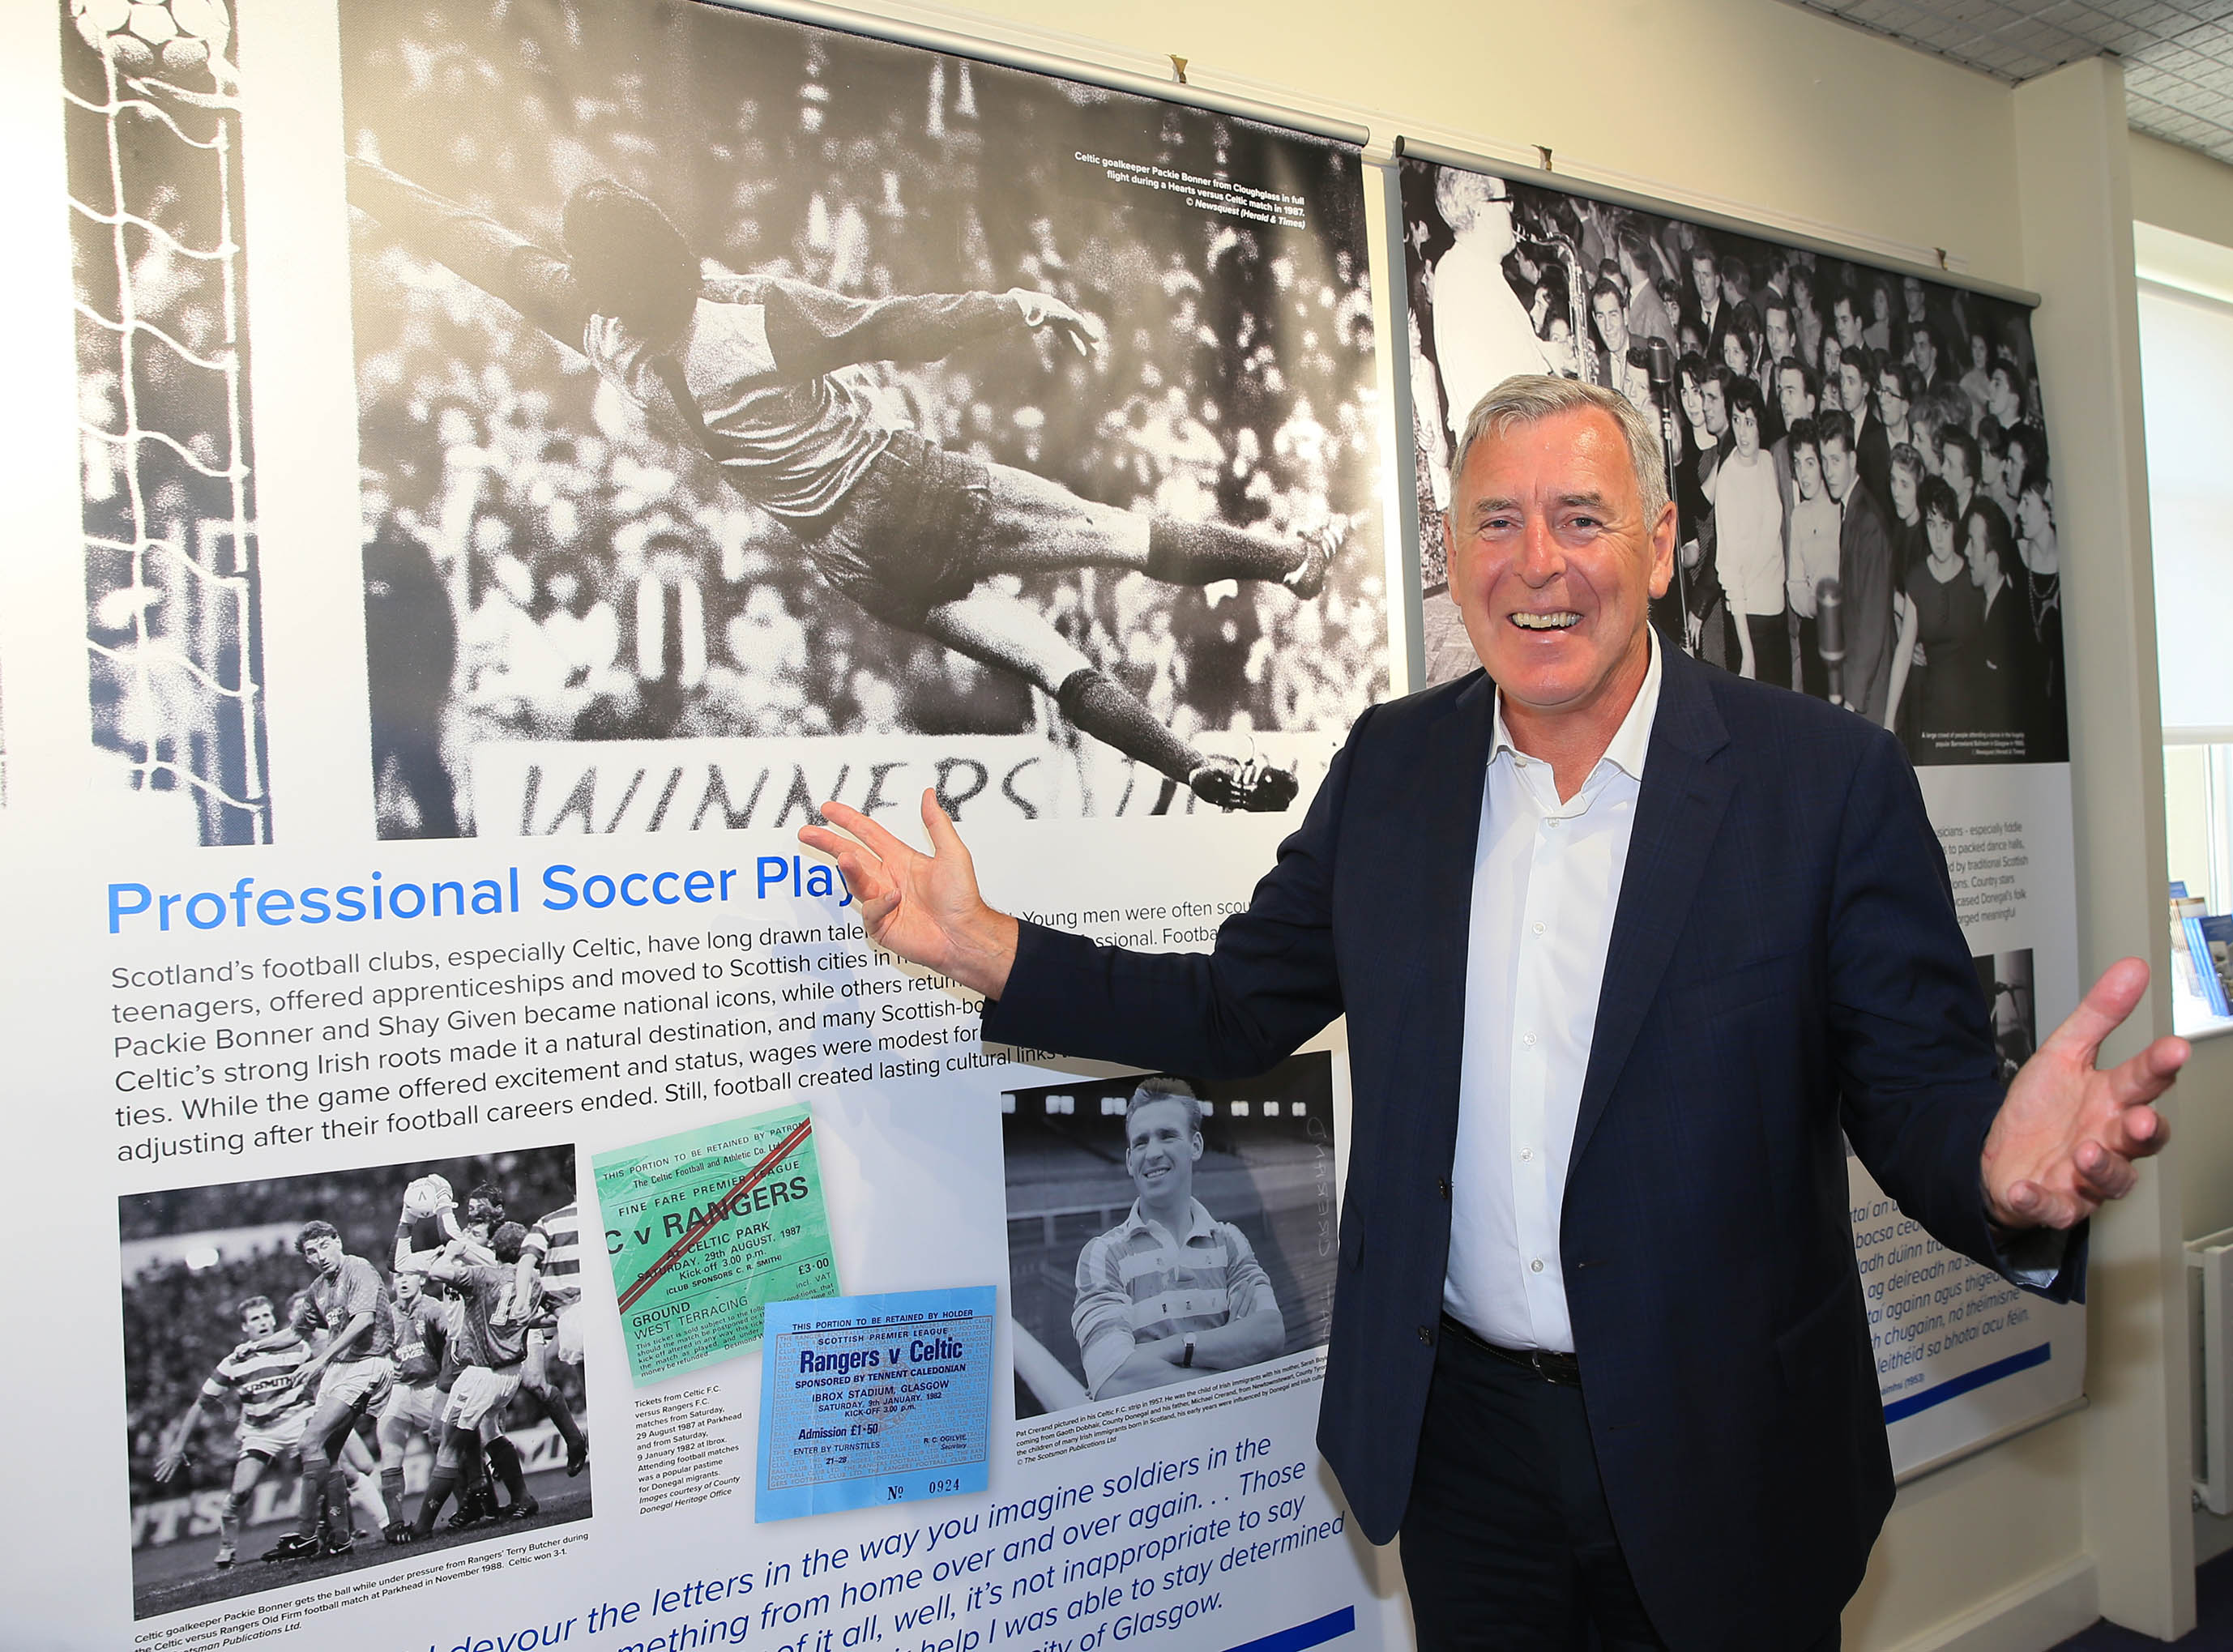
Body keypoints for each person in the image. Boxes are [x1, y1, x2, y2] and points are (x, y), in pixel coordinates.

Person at [801, 373, 2183, 1651]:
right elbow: (1230, 1007)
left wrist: (2000, 1171)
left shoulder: (1820, 782)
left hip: (1727, 1451)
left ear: (1656, 543)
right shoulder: (1393, 767)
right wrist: (988, 949)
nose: (1538, 561)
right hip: (1464, 1450)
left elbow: (1913, 1091)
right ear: (1451, 553)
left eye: (1580, 518)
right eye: (1497, 521)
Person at [344, 159, 1334, 815]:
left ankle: (1189, 764)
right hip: (902, 488)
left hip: (850, 556)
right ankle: (1288, 563)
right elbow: (895, 322)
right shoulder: (753, 323)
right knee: (1116, 534)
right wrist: (1011, 305)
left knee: (1047, 662)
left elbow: (462, 238)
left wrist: (354, 176)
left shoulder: (596, 330)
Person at [1069, 1078, 1287, 1399]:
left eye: (1168, 1136)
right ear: (1130, 1161)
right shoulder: (1102, 1255)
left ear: (1196, 1146)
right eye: (1141, 1142)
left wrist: (1175, 1348)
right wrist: (1229, 1360)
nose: (1153, 1153)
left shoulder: (1230, 1242)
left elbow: (1270, 1335)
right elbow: (1113, 1382)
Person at [261, 1222, 399, 1561]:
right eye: (311, 1252)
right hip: (341, 1367)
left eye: (324, 1246)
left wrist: (320, 1359)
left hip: (367, 1362)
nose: (319, 1255)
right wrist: (255, 1347)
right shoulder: (318, 1288)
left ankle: (306, 1534)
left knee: (309, 1442)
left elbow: (364, 1319)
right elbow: (295, 1332)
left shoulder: (359, 1268)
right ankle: (340, 1537)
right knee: (329, 1453)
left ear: (337, 1241)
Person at [1701, 378, 1788, 685]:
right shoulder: (1728, 477)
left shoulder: (1768, 462)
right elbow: (1729, 568)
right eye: (1736, 421)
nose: (1742, 431)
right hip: (1748, 623)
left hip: (1778, 613)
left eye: (1749, 421)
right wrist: (1747, 653)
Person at [1887, 476, 1984, 742]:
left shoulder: (1974, 579)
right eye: (1931, 525)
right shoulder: (1917, 578)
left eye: (1945, 525)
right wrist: (1888, 723)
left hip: (1972, 712)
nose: (1938, 537)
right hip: (1929, 709)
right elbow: (1905, 650)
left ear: (1955, 526)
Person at [1821, 414, 1898, 721]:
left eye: (1836, 460)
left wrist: (1852, 699)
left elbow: (1872, 620)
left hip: (1871, 688)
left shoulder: (1868, 523)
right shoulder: (1852, 510)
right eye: (1824, 461)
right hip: (1861, 680)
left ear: (1853, 459)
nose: (1829, 472)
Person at [1784, 416, 1842, 699]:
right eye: (1797, 463)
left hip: (1844, 628)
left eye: (1810, 463)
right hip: (1813, 631)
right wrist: (1814, 606)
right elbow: (1794, 583)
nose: (1803, 473)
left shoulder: (1840, 509)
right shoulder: (1799, 516)